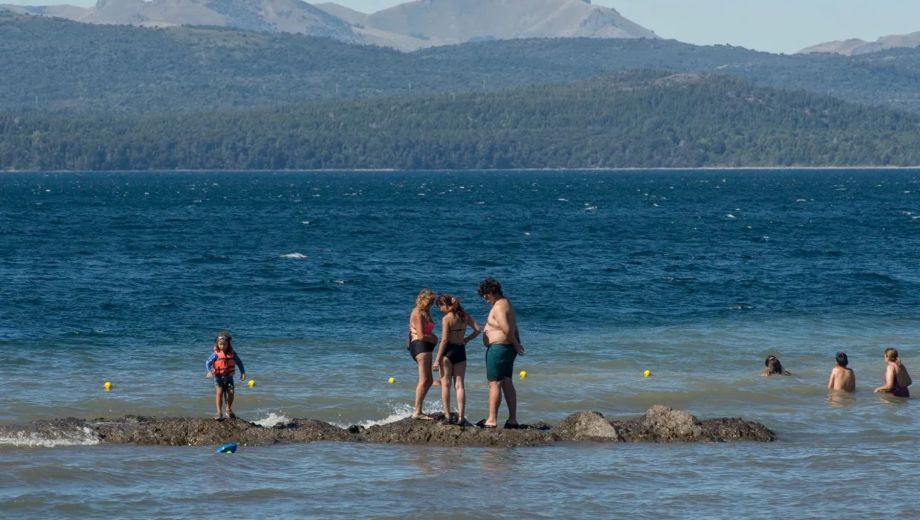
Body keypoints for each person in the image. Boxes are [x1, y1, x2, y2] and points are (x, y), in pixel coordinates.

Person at [478, 277, 526, 429]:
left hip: (499, 349)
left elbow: (506, 329)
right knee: (506, 381)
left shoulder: (499, 306)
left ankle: (491, 420)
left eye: (486, 296)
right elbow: (514, 327)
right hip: (506, 349)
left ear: (492, 292)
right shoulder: (507, 303)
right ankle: (512, 420)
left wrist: (517, 345)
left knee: (495, 383)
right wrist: (517, 344)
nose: (485, 300)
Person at [435, 293, 481, 425]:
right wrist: (466, 339)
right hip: (460, 350)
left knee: (446, 384)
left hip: (448, 351)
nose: (440, 309)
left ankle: (448, 415)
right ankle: (461, 417)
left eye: (441, 306)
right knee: (459, 385)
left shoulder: (446, 319)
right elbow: (478, 330)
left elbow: (444, 340)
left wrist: (437, 359)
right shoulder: (464, 315)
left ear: (447, 305)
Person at [408, 288, 438, 419]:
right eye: (429, 302)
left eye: (432, 302)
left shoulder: (426, 311)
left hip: (425, 348)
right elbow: (420, 335)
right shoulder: (417, 313)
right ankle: (417, 411)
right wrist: (434, 338)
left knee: (430, 380)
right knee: (424, 380)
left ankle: (419, 409)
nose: (431, 305)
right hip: (420, 346)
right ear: (422, 300)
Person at [205, 331, 247, 420]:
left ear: (228, 344)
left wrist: (242, 372)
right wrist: (209, 371)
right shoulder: (215, 354)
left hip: (229, 377)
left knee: (231, 393)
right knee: (219, 393)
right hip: (218, 378)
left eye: (225, 344)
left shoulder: (232, 354)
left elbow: (239, 363)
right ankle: (219, 412)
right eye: (220, 344)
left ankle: (228, 409)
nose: (223, 346)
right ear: (217, 344)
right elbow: (207, 363)